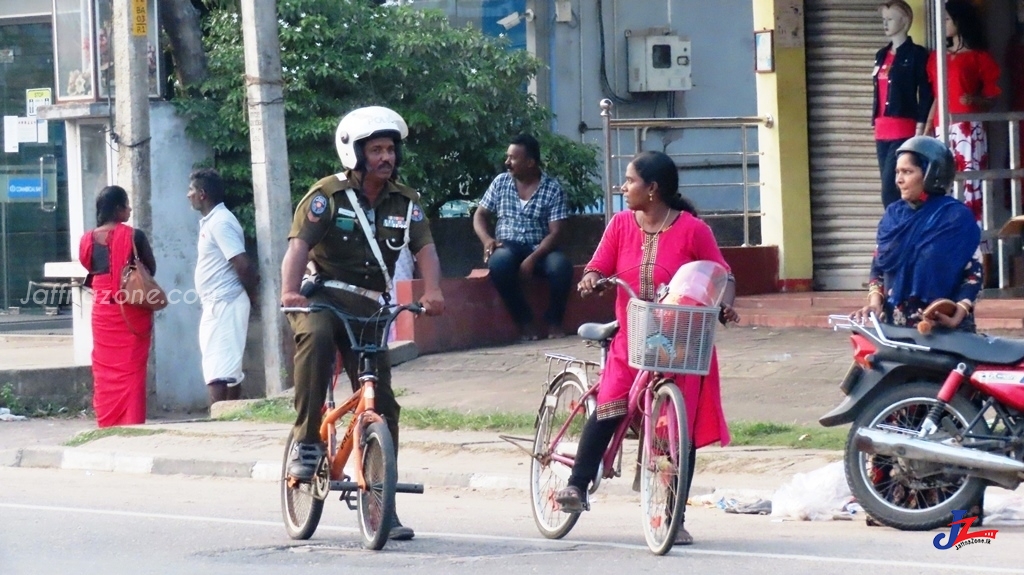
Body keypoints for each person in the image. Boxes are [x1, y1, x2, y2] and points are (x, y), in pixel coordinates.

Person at [554, 150, 739, 546]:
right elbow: (596, 266)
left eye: (630, 180)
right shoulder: (620, 224)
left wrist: (724, 303)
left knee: (679, 432)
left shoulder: (693, 230)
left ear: (652, 189)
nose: (624, 187)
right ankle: (577, 484)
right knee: (609, 406)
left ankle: (676, 516)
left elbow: (722, 275)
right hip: (631, 339)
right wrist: (591, 280)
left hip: (680, 342)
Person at [280, 106, 445, 541]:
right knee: (314, 342)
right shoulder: (326, 196)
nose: (385, 157)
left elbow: (425, 249)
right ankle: (307, 442)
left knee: (383, 404)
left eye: (390, 149)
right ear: (355, 153)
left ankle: (383, 503)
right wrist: (290, 291)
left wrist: (434, 291)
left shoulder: (405, 202)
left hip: (371, 307)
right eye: (376, 150)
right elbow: (298, 248)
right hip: (324, 298)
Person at [852, 136, 982, 331]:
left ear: (931, 173)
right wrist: (874, 302)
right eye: (897, 172)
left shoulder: (956, 218)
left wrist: (960, 311)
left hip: (943, 330)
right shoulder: (892, 216)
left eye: (907, 172)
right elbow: (878, 267)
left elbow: (974, 274)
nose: (899, 180)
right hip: (894, 330)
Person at [473, 134, 573, 341]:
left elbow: (556, 233)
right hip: (508, 245)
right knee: (499, 263)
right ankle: (525, 323)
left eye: (513, 158)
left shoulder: (552, 189)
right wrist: (487, 240)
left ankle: (554, 323)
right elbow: (480, 215)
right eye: (507, 157)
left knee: (561, 266)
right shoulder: (501, 183)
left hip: (541, 248)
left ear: (530, 162)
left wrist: (533, 258)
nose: (507, 163)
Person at [78, 186, 157, 428]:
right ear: (117, 209)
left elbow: (87, 264)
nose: (130, 209)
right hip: (130, 310)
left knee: (104, 369)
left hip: (102, 311)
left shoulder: (87, 239)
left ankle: (107, 422)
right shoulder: (135, 236)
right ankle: (132, 422)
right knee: (132, 371)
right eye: (126, 205)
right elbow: (150, 269)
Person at [925, 0, 1001, 222]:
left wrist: (975, 99)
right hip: (942, 127)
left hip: (969, 128)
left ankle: (975, 240)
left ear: (959, 21)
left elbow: (992, 98)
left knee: (970, 185)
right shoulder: (937, 58)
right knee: (943, 182)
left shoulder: (979, 57)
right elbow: (938, 95)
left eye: (948, 19)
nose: (944, 23)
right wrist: (928, 125)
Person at [187, 168, 258, 408]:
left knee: (218, 367)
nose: (189, 195)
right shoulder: (213, 221)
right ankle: (230, 416)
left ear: (203, 194)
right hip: (218, 302)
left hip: (225, 301)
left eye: (192, 191)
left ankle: (221, 421)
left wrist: (252, 295)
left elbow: (243, 264)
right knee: (226, 367)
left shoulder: (221, 222)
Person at [873, 0, 933, 208]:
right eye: (884, 19)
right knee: (890, 183)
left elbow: (926, 92)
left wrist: (921, 125)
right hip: (882, 129)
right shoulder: (881, 55)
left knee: (892, 189)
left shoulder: (916, 54)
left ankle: (897, 230)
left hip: (903, 128)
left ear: (905, 21)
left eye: (890, 19)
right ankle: (899, 228)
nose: (886, 24)